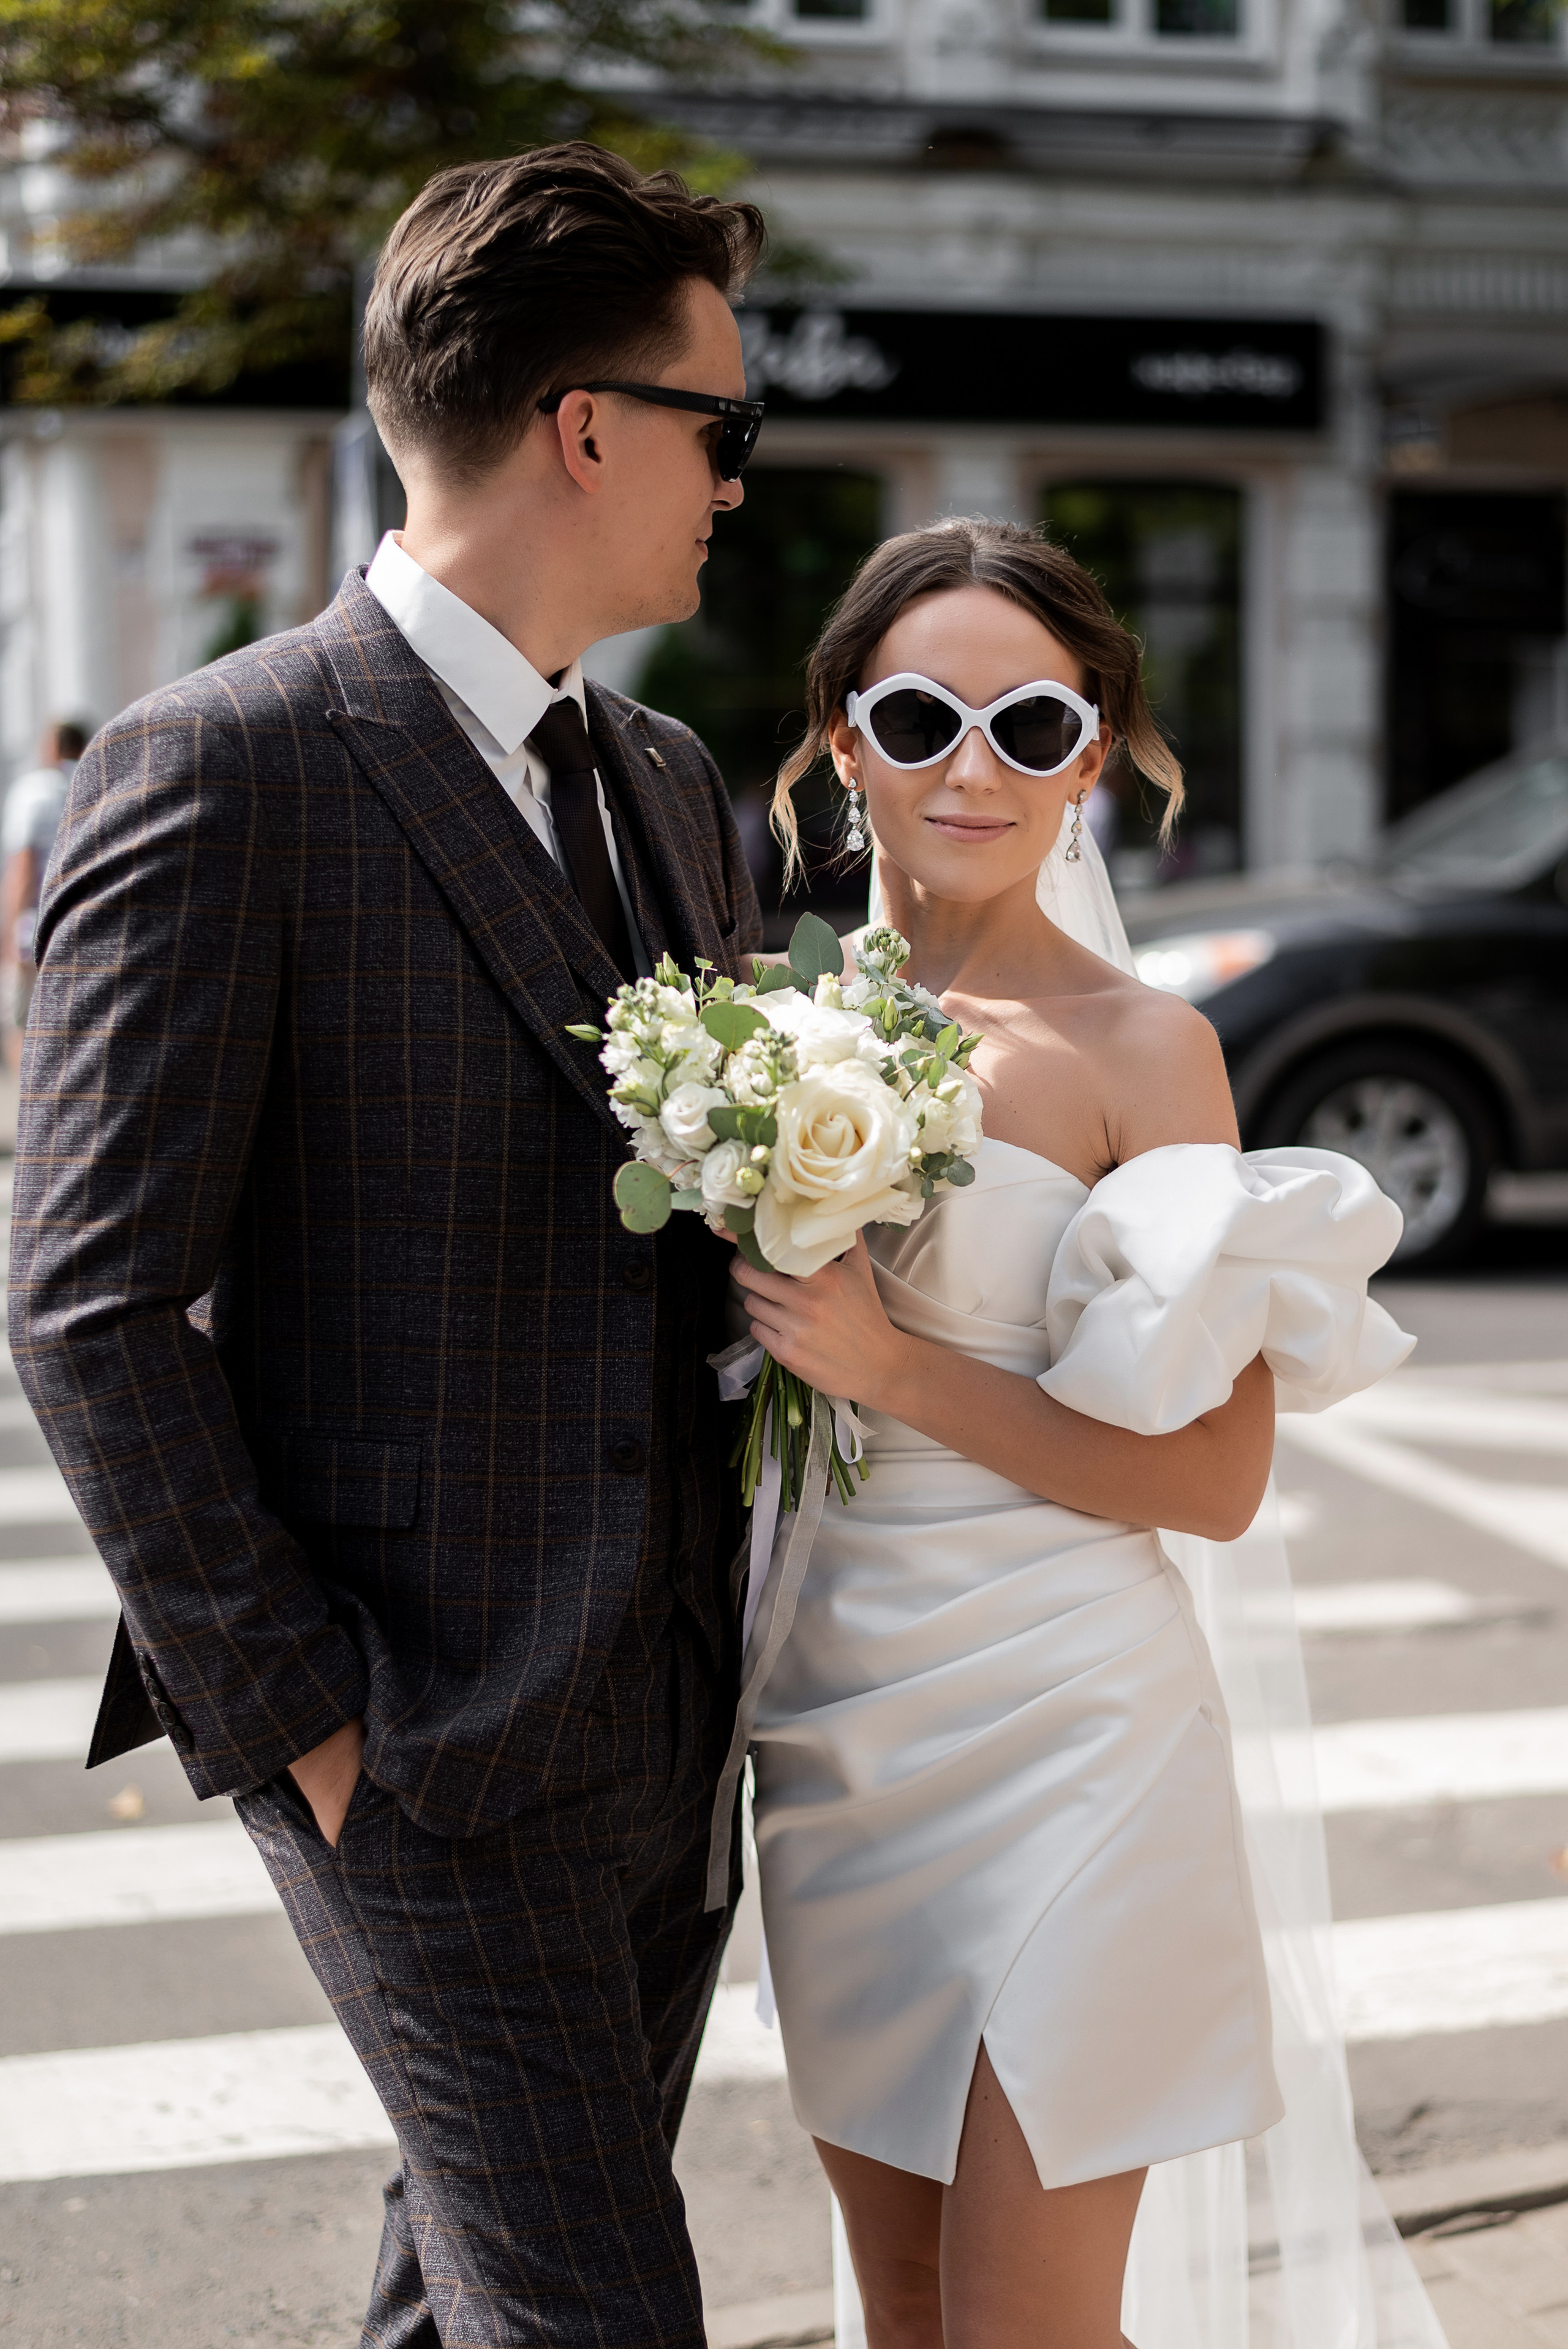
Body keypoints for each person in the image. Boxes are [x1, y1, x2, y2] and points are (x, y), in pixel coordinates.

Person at [9, 146, 768, 2348]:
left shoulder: (665, 778)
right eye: (720, 423)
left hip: (667, 1713)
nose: (736, 473)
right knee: (599, 2318)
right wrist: (309, 1728)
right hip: (422, 1738)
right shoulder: (217, 769)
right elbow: (88, 1295)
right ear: (586, 427)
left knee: (465, 2301)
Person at [728, 520, 1449, 2348]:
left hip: (1075, 1739)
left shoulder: (1145, 1050)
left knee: (1023, 2327)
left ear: (1097, 759)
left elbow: (1213, 1480)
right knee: (901, 2309)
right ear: (837, 736)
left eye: (1032, 729)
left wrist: (889, 1365)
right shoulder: (748, 1027)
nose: (974, 769)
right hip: (830, 1739)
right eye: (921, 716)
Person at [1, 720, 86, 1067]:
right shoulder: (92, 784)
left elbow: (23, 869)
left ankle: (31, 1114)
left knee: (22, 1024)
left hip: (34, 927)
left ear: (51, 747)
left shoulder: (33, 792)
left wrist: (8, 933)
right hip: (84, 925)